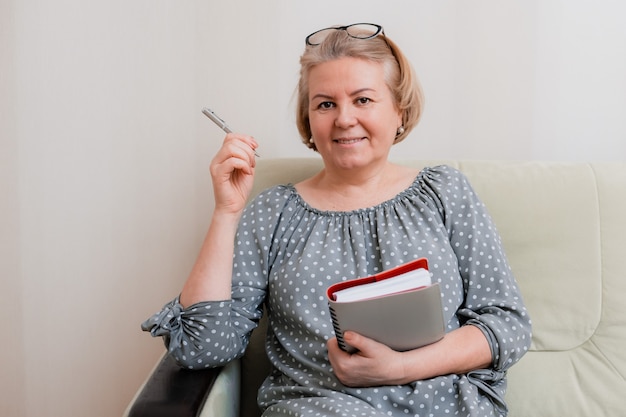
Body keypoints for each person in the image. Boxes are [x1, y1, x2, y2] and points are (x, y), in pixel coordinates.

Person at [142, 23, 532, 417]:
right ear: (309, 120)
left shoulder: (446, 192)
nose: (344, 119)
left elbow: (507, 326)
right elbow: (202, 348)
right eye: (325, 104)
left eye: (363, 99)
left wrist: (399, 367)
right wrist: (226, 212)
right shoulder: (273, 213)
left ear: (399, 109)